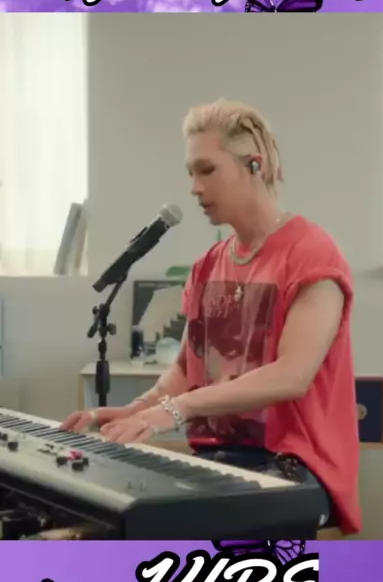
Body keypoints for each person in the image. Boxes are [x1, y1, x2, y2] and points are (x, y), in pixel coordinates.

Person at [61, 98, 361, 535]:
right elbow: (187, 370)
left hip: (293, 464)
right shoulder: (208, 265)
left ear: (254, 165)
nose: (194, 188)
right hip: (219, 458)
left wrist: (175, 411)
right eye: (190, 173)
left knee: (126, 533)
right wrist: (135, 410)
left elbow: (291, 376)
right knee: (91, 521)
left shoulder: (312, 255)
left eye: (206, 170)